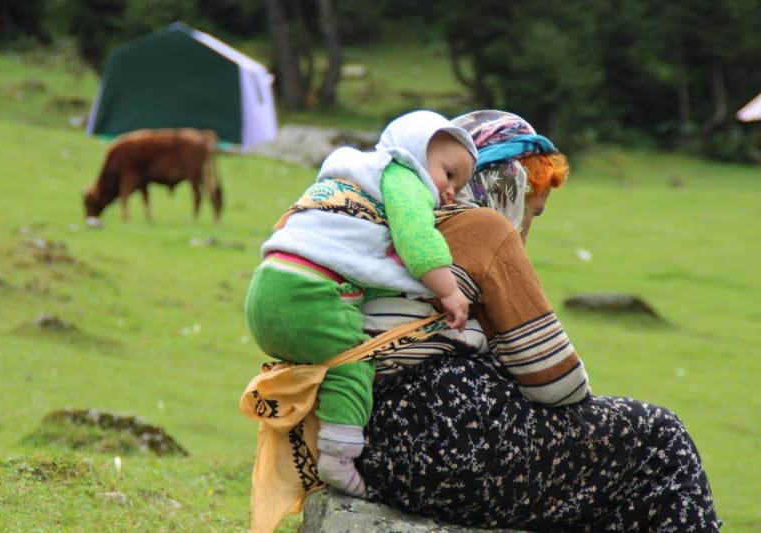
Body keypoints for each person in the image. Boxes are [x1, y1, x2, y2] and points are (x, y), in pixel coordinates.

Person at [356, 110, 721, 532]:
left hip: (377, 448)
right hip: (458, 444)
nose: (525, 230)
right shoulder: (482, 228)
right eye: (530, 212)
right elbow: (558, 385)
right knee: (661, 438)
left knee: (591, 474)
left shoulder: (380, 225)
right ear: (503, 186)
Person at [244, 109, 477, 498]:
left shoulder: (349, 177)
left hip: (266, 286)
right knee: (352, 364)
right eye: (448, 174)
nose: (451, 190)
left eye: (461, 185)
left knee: (318, 363)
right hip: (309, 293)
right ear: (415, 151)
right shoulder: (404, 176)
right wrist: (449, 291)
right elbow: (418, 243)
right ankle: (337, 457)